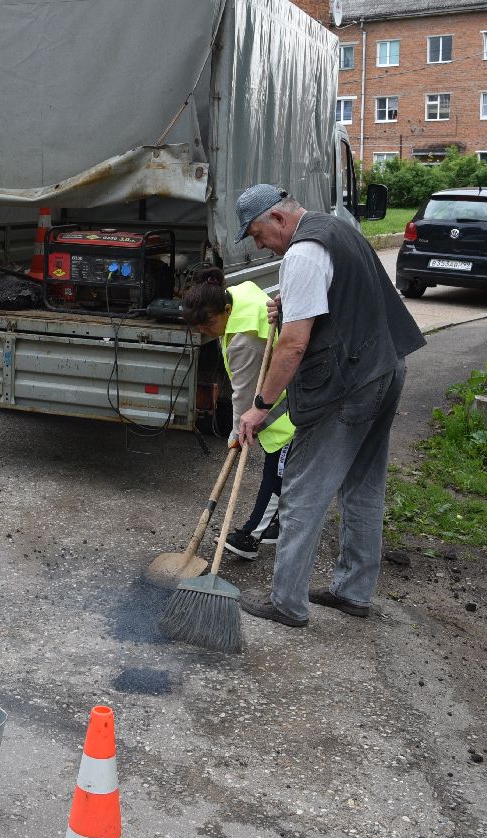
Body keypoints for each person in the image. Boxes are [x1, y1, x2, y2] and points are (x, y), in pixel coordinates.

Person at [232, 185, 425, 627]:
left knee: (302, 488)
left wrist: (260, 405)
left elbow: (294, 345)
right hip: (386, 367)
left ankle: (287, 602)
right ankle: (353, 591)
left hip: (348, 382)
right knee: (363, 486)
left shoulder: (302, 253)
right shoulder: (337, 228)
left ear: (278, 220)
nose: (258, 244)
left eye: (258, 234)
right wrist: (294, 304)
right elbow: (340, 299)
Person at [179, 267, 295, 560]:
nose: (206, 332)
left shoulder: (244, 340)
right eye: (200, 328)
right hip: (278, 401)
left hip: (288, 413)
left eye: (209, 325)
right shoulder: (235, 293)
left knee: (276, 475)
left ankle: (250, 538)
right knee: (281, 471)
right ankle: (275, 527)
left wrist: (235, 435)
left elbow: (244, 396)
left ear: (226, 309)